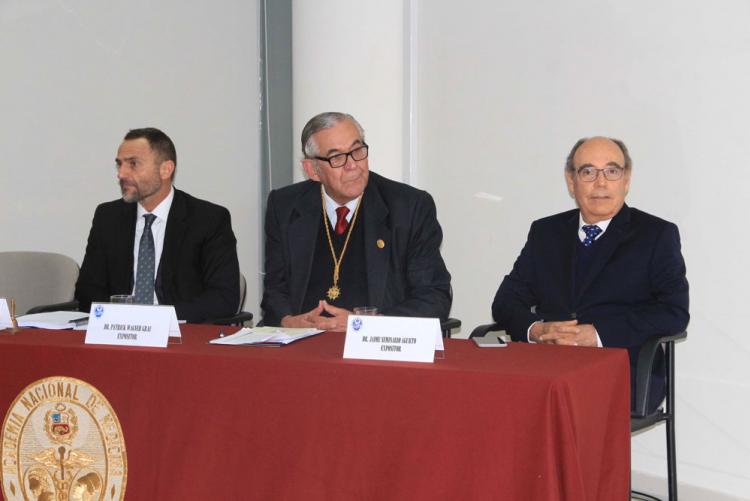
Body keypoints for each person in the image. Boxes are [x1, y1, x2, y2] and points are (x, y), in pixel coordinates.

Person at [492, 136, 689, 412]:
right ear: (571, 181)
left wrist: (597, 334)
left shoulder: (656, 235)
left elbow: (673, 312)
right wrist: (537, 330)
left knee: (556, 405)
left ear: (626, 179)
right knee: (491, 398)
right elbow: (506, 302)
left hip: (622, 369)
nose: (600, 183)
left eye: (612, 171)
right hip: (548, 366)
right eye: (588, 172)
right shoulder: (546, 232)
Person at [261, 112, 452, 330]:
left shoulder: (409, 207)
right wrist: (288, 321)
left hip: (375, 346)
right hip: (303, 343)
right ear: (313, 170)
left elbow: (434, 297)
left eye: (357, 151)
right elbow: (275, 291)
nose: (353, 165)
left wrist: (363, 325)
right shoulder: (284, 206)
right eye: (336, 157)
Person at [75, 127, 240, 322]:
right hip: (120, 331)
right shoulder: (108, 217)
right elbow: (87, 291)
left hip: (180, 331)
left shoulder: (208, 220)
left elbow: (223, 298)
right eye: (119, 164)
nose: (121, 174)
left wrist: (156, 319)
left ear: (166, 169)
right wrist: (122, 317)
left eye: (133, 164)